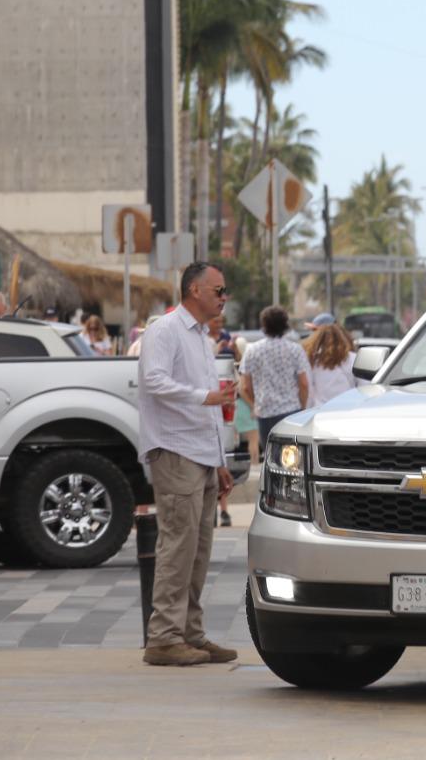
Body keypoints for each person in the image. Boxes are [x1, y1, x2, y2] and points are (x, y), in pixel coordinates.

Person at [136, 261, 237, 668]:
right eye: (218, 290)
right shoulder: (165, 329)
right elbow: (153, 381)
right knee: (177, 546)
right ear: (195, 290)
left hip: (199, 453)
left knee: (198, 550)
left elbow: (211, 401)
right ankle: (163, 637)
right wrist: (204, 397)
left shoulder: (201, 337)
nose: (223, 297)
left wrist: (220, 460)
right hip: (175, 451)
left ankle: (189, 633)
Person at [239, 305, 309, 451]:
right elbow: (303, 383)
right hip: (291, 411)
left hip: (265, 412)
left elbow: (245, 386)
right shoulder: (295, 349)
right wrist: (302, 406)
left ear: (264, 325)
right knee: (293, 460)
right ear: (285, 325)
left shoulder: (252, 350)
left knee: (271, 458)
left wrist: (255, 404)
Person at [207, 315, 243, 527]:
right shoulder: (204, 341)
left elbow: (235, 362)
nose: (219, 326)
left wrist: (233, 349)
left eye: (221, 322)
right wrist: (218, 350)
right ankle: (214, 510)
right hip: (212, 400)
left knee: (219, 458)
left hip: (223, 401)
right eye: (216, 322)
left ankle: (223, 510)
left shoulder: (226, 336)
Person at [304, 321, 357, 409]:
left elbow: (309, 391)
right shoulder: (353, 358)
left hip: (320, 411)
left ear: (318, 340)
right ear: (342, 338)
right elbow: (364, 387)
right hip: (348, 409)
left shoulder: (312, 360)